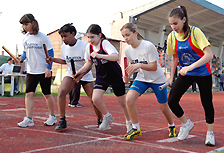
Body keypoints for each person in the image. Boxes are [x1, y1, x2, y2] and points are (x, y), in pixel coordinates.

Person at [167, 6, 215, 146]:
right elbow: (175, 57)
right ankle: (186, 123)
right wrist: (171, 77)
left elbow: (209, 54)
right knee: (172, 101)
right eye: (171, 24)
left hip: (203, 72)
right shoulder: (171, 36)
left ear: (184, 20)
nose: (173, 26)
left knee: (206, 102)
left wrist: (190, 67)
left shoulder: (195, 32)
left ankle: (210, 133)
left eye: (175, 23)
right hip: (186, 72)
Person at [120, 23, 176, 141]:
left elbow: (154, 67)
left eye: (128, 35)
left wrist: (139, 65)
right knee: (129, 99)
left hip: (158, 79)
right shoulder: (128, 50)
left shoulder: (148, 46)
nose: (125, 38)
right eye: (123, 36)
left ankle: (172, 126)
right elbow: (132, 65)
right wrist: (127, 75)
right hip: (142, 78)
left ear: (135, 33)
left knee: (164, 108)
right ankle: (136, 128)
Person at [74, 24, 132, 132]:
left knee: (122, 103)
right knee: (95, 98)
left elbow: (115, 56)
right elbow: (89, 63)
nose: (90, 40)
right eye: (88, 37)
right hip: (102, 76)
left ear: (99, 35)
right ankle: (107, 116)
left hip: (114, 76)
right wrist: (79, 72)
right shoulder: (89, 47)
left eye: (92, 37)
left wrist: (100, 55)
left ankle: (129, 122)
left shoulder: (104, 43)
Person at [48, 23, 102, 131]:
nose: (64, 39)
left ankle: (100, 119)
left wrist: (81, 74)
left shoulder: (84, 46)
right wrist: (53, 59)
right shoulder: (64, 47)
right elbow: (65, 61)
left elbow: (89, 62)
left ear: (73, 34)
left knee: (94, 99)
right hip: (70, 73)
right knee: (61, 92)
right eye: (62, 37)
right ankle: (62, 120)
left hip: (85, 74)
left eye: (66, 36)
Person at [17, 14, 57, 127]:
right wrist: (21, 58)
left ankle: (52, 116)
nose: (24, 27)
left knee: (47, 94)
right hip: (31, 70)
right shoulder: (25, 38)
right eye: (23, 25)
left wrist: (48, 68)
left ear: (33, 23)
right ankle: (29, 118)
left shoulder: (43, 37)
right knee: (29, 94)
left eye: (26, 24)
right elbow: (25, 53)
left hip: (43, 70)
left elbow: (51, 53)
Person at [68, 32, 85, 108]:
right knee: (76, 86)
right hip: (76, 70)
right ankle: (74, 102)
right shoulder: (77, 48)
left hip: (73, 70)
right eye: (80, 38)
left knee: (72, 86)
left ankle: (71, 101)